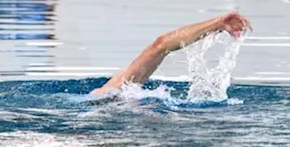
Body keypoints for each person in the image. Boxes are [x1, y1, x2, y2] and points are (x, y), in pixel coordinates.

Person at [90, 11, 251, 96]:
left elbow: (161, 45)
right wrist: (217, 24)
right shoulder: (112, 90)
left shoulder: (101, 96)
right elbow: (161, 45)